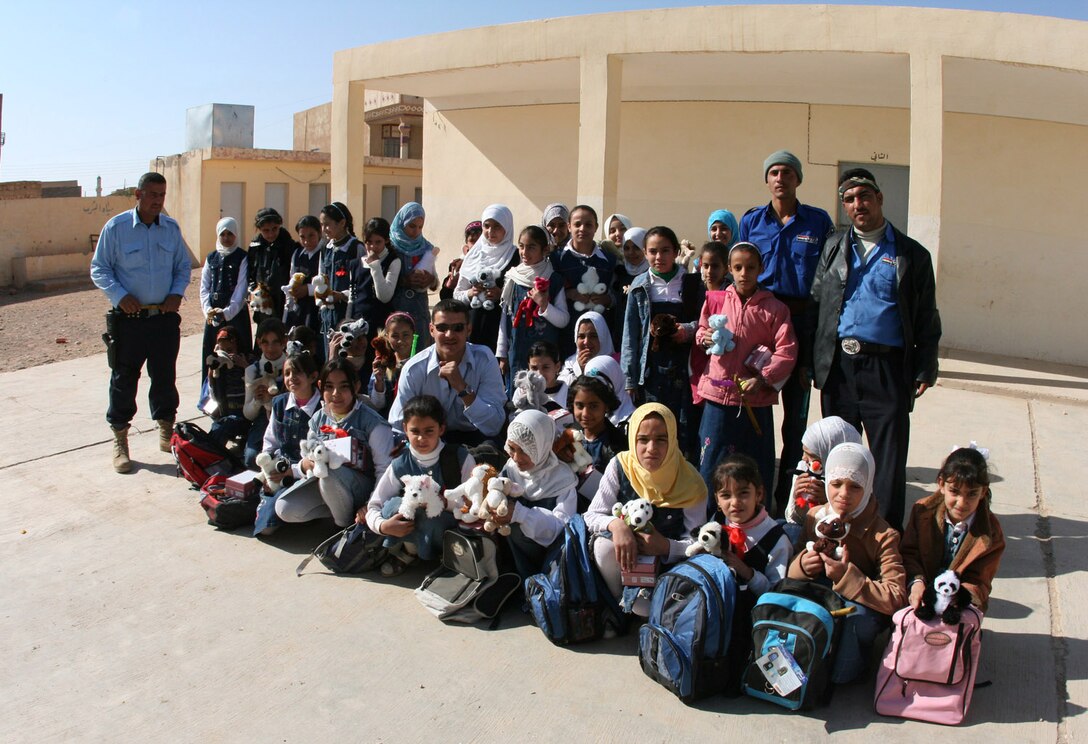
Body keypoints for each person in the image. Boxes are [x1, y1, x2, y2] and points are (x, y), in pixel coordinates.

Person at [811, 168, 941, 529]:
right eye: (849, 200)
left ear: (880, 199)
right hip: (840, 366)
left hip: (887, 368)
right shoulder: (834, 247)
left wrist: (925, 366)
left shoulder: (911, 254)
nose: (858, 205)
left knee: (888, 458)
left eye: (864, 197)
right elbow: (817, 304)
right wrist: (814, 361)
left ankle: (884, 533)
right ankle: (837, 527)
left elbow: (927, 315)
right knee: (840, 455)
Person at [739, 151, 835, 517]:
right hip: (761, 320)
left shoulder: (818, 221)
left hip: (802, 322)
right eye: (774, 172)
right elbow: (741, 267)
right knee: (755, 406)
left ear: (798, 179)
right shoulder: (751, 221)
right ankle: (754, 491)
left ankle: (788, 497)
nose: (781, 178)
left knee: (795, 417)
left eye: (788, 172)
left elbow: (828, 275)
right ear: (767, 180)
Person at [90, 172, 191, 473]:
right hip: (129, 321)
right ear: (138, 195)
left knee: (164, 376)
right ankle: (120, 440)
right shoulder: (117, 228)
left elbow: (182, 266)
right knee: (123, 380)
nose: (158, 201)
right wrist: (119, 295)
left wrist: (176, 293)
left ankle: (166, 431)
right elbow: (100, 268)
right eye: (153, 195)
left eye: (162, 195)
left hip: (163, 318)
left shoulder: (171, 229)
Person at [787, 442, 907, 684]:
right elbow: (790, 569)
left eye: (855, 487)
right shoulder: (816, 517)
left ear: (869, 486)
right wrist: (802, 566)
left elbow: (896, 596)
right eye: (836, 484)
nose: (843, 494)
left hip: (854, 608)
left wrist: (846, 577)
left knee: (842, 670)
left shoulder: (883, 535)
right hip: (817, 598)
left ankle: (852, 660)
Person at [587, 404, 708, 615]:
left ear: (672, 440)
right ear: (632, 439)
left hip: (670, 565)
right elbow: (592, 514)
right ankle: (619, 602)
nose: (651, 448)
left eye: (661, 439)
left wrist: (665, 547)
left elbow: (699, 543)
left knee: (645, 609)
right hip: (626, 561)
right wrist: (617, 526)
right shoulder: (621, 465)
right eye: (643, 439)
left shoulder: (690, 482)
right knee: (603, 547)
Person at [695, 242, 797, 493]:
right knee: (711, 462)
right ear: (729, 268)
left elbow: (787, 351)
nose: (744, 273)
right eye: (738, 267)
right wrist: (704, 337)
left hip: (755, 400)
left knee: (755, 465)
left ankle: (756, 520)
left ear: (761, 268)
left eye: (750, 267)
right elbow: (701, 330)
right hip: (718, 397)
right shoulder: (716, 301)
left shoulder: (775, 309)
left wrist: (763, 379)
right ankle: (708, 518)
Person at [363, 394, 476, 577]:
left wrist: (444, 503)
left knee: (432, 517)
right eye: (415, 431)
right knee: (393, 506)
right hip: (413, 528)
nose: (421, 438)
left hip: (449, 530)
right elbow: (374, 505)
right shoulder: (400, 464)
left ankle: (446, 558)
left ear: (441, 429)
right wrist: (383, 526)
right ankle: (410, 552)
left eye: (429, 431)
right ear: (405, 429)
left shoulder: (459, 458)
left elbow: (475, 506)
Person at [708, 454, 793, 692]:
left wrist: (745, 570)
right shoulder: (716, 524)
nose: (735, 503)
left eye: (743, 493)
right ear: (716, 499)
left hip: (750, 622)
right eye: (726, 495)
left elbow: (775, 594)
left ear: (760, 494)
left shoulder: (776, 539)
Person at [275, 359, 394, 528]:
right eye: (329, 386)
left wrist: (371, 506)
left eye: (344, 386)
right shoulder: (318, 418)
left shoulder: (372, 422)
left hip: (364, 488)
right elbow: (309, 456)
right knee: (285, 507)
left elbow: (386, 470)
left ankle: (344, 527)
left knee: (329, 471)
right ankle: (343, 513)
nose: (336, 393)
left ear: (356, 386)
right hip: (329, 486)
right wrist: (299, 467)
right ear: (320, 386)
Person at [388, 299, 507, 447]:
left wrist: (463, 389)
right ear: (431, 330)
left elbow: (494, 425)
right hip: (429, 440)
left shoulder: (484, 359)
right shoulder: (414, 368)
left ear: (468, 330)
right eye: (442, 328)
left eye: (458, 328)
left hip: (475, 438)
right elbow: (398, 425)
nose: (449, 335)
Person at [620, 226, 697, 452]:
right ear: (645, 253)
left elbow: (702, 321)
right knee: (654, 426)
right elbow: (630, 334)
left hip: (684, 367)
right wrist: (630, 378)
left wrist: (686, 329)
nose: (658, 257)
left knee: (682, 430)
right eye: (653, 251)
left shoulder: (691, 284)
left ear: (675, 252)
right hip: (651, 370)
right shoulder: (639, 286)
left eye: (665, 251)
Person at [901, 445, 1005, 613]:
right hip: (919, 594)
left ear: (983, 491)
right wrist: (916, 583)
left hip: (961, 602)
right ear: (941, 484)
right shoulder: (922, 512)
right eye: (954, 491)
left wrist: (959, 598)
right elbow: (909, 553)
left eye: (971, 494)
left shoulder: (990, 531)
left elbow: (980, 579)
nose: (962, 503)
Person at [490, 409, 578, 579]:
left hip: (547, 555)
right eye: (512, 449)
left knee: (516, 528)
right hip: (513, 552)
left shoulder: (562, 479)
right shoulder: (512, 468)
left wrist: (520, 514)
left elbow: (562, 529)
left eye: (525, 450)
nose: (516, 458)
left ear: (542, 446)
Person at [497, 225, 570, 382]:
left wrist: (544, 305)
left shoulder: (553, 279)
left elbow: (563, 320)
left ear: (544, 250)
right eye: (521, 247)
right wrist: (502, 354)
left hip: (545, 357)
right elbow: (505, 320)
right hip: (517, 351)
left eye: (531, 247)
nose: (524, 252)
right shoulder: (513, 278)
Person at [684, 239, 732, 459]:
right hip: (693, 359)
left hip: (718, 363)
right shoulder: (692, 286)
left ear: (726, 268)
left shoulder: (731, 295)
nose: (710, 271)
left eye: (716, 266)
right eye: (706, 265)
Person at [550, 205, 616, 359]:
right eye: (577, 224)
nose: (582, 229)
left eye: (588, 224)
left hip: (599, 335)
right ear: (569, 227)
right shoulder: (557, 258)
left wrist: (608, 299)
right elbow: (551, 292)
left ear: (596, 227)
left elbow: (617, 291)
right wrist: (568, 293)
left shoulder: (609, 260)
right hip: (567, 333)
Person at [783, 416, 864, 541]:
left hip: (841, 536)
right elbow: (793, 520)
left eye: (812, 456)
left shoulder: (857, 476)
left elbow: (855, 525)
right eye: (804, 451)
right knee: (785, 530)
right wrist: (796, 497)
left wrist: (829, 501)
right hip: (807, 530)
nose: (804, 458)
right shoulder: (804, 467)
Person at [455, 204, 520, 351]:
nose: (490, 231)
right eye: (487, 226)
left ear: (507, 227)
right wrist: (470, 294)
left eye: (497, 226)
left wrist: (501, 295)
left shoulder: (516, 256)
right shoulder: (473, 255)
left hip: (500, 329)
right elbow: (457, 294)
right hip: (472, 326)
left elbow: (522, 295)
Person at [199, 217, 250, 386]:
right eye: (223, 234)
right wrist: (209, 311)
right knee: (212, 356)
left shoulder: (242, 257)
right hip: (214, 317)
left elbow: (241, 288)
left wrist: (227, 313)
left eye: (230, 234)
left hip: (234, 315)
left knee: (236, 354)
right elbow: (204, 287)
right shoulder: (211, 257)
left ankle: (237, 397)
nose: (226, 238)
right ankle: (211, 396)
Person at [389, 202, 437, 347]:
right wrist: (404, 281)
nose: (416, 231)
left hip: (419, 313)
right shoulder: (389, 247)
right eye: (411, 226)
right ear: (402, 223)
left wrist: (430, 280)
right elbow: (379, 282)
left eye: (420, 227)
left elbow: (434, 284)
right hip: (395, 312)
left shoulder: (426, 248)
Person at [317, 202, 360, 343]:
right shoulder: (325, 248)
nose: (324, 229)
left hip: (348, 315)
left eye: (327, 224)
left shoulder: (356, 248)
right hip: (327, 315)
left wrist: (341, 295)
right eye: (322, 225)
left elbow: (361, 285)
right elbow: (320, 277)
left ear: (342, 223)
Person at [247, 207, 297, 329]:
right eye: (266, 230)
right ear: (259, 230)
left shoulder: (289, 246)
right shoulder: (255, 247)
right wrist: (253, 290)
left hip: (283, 302)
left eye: (274, 229)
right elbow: (251, 272)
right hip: (262, 303)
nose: (270, 234)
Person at [369, 312, 418, 418]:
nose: (401, 341)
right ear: (387, 337)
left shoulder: (422, 362)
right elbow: (378, 404)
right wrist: (379, 381)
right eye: (395, 336)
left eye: (406, 335)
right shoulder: (383, 364)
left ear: (413, 335)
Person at [284, 215, 323, 343]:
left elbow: (329, 281)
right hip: (299, 309)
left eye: (311, 235)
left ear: (319, 233)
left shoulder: (325, 253)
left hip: (317, 309)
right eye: (302, 237)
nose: (306, 241)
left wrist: (308, 289)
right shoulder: (298, 254)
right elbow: (292, 277)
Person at [608, 226, 648, 351]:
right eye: (627, 248)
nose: (631, 253)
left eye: (636, 248)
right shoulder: (620, 272)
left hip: (642, 335)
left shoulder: (650, 274)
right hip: (620, 333)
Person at [557, 310, 614, 386]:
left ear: (603, 338)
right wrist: (579, 370)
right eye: (581, 336)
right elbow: (561, 390)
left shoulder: (615, 365)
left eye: (593, 336)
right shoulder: (570, 365)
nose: (586, 342)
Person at [582, 354, 635, 427]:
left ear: (615, 380)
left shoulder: (633, 422)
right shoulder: (586, 418)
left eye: (601, 386)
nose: (594, 393)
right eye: (590, 387)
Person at [440, 220, 481, 300]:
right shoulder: (457, 265)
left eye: (479, 241)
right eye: (472, 241)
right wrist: (450, 285)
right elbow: (445, 298)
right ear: (467, 244)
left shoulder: (494, 262)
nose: (476, 245)